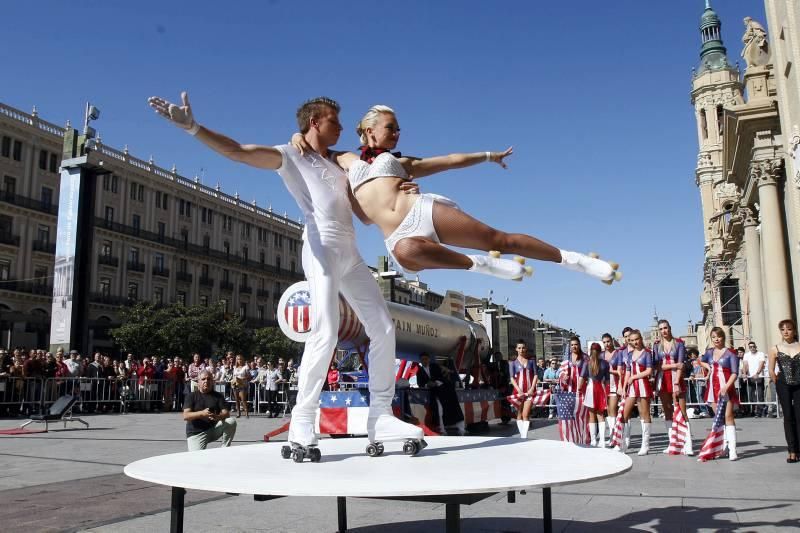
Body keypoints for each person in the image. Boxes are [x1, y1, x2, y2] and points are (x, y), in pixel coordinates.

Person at [149, 93, 424, 459]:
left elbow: (371, 197)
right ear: (315, 122)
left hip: (350, 252)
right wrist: (194, 127)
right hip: (320, 245)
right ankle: (302, 421)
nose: (341, 128)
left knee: (384, 327)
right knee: (325, 330)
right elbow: (239, 151)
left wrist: (399, 187)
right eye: (334, 121)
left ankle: (381, 415)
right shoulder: (290, 154)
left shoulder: (340, 162)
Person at [292, 105, 622, 284]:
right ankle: (480, 266)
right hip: (397, 236)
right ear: (368, 130)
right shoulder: (345, 161)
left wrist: (490, 156)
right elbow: (313, 150)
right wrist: (297, 136)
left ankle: (575, 260)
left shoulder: (401, 162)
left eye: (398, 128)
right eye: (390, 127)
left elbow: (450, 161)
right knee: (405, 253)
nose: (396, 133)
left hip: (421, 211)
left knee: (500, 240)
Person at [699, 327, 740, 461]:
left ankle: (733, 449)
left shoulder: (731, 353)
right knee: (719, 418)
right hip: (712, 388)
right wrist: (708, 367)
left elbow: (735, 373)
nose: (716, 339)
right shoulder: (709, 352)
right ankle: (723, 447)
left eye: (719, 336)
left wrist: (727, 386)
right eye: (714, 337)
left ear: (723, 337)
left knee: (728, 416)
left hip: (725, 388)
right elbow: (700, 360)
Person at [652, 319, 693, 455]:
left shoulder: (679, 343)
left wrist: (676, 381)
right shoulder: (656, 346)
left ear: (670, 328)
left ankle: (688, 444)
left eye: (666, 328)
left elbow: (681, 364)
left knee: (682, 411)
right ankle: (672, 443)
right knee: (668, 411)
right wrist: (673, 365)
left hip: (676, 378)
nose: (664, 331)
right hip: (662, 379)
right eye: (661, 329)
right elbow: (657, 365)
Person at [768, 319, 800, 463]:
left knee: (799, 416)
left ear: (794, 330)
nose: (786, 332)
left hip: (799, 383)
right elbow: (771, 368)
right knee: (788, 416)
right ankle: (792, 450)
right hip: (783, 384)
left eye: (789, 329)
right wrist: (777, 380)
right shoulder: (775, 348)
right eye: (783, 329)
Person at [617, 330, 653, 455]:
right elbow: (627, 371)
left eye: (636, 339)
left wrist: (635, 377)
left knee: (644, 414)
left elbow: (649, 371)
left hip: (643, 385)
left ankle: (645, 445)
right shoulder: (630, 354)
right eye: (632, 340)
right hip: (631, 387)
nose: (634, 342)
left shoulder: (647, 353)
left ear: (641, 338)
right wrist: (624, 386)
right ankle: (624, 442)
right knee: (624, 414)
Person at [183, 370, 237, 451]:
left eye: (209, 379)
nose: (206, 381)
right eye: (203, 379)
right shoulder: (191, 396)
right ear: (198, 382)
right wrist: (202, 413)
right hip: (196, 433)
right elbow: (186, 416)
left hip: (213, 429)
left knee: (231, 421)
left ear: (212, 381)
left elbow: (226, 413)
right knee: (196, 459)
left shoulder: (218, 396)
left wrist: (218, 417)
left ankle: (225, 449)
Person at [417, 352, 464, 434]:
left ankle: (460, 428)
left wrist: (436, 382)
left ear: (429, 359)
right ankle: (442, 429)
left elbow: (442, 376)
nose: (424, 361)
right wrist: (427, 384)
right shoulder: (419, 371)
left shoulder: (435, 366)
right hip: (433, 393)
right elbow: (420, 383)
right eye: (422, 359)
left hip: (444, 390)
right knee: (438, 411)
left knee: (453, 407)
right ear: (420, 361)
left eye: (426, 359)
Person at [577, 342, 609, 447]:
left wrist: (578, 389)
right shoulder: (605, 363)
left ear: (590, 351)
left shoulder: (587, 363)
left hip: (590, 389)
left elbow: (581, 378)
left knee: (591, 416)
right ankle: (603, 441)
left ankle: (593, 440)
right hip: (601, 389)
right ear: (600, 351)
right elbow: (607, 381)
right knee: (601, 415)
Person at [506, 340, 538, 438]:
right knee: (519, 414)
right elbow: (511, 378)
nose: (521, 350)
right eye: (519, 348)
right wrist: (518, 390)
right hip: (518, 391)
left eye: (523, 347)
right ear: (516, 349)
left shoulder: (531, 362)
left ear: (526, 348)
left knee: (526, 414)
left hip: (529, 391)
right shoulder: (513, 363)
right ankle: (522, 436)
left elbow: (536, 375)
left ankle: (524, 436)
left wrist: (532, 388)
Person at [743, 341, 766, 416]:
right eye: (750, 347)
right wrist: (744, 374)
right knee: (750, 395)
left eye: (753, 346)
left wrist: (757, 373)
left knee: (760, 394)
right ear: (749, 348)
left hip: (759, 377)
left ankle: (760, 411)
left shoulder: (760, 354)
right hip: (750, 377)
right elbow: (745, 365)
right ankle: (753, 410)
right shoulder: (746, 355)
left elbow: (761, 364)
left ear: (756, 346)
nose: (752, 348)